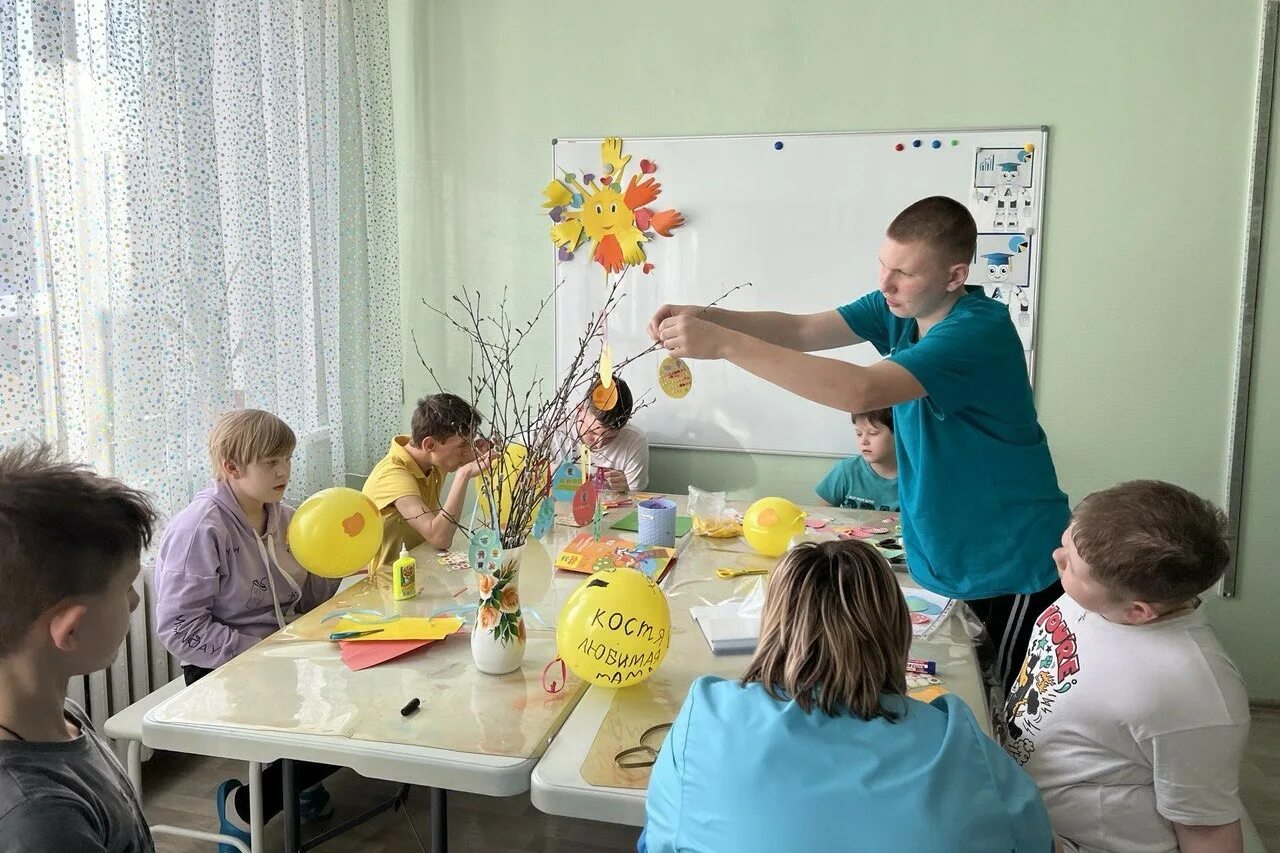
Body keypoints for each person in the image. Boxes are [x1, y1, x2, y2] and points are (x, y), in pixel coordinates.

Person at [649, 196, 1069, 692]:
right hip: (943, 554)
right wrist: (712, 319)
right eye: (883, 265)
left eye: (904, 274)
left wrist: (725, 345)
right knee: (947, 695)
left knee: (1006, 705)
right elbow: (801, 329)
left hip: (1011, 560)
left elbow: (860, 390)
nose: (885, 285)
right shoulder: (902, 310)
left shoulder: (977, 331)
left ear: (955, 277)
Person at [641, 538, 1053, 853]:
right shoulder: (956, 740)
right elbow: (1035, 841)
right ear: (896, 630)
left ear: (771, 625)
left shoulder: (709, 715)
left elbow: (658, 842)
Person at [1004, 481, 1249, 853]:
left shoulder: (1194, 692)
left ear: (1138, 611)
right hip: (1024, 803)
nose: (1056, 556)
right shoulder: (1098, 599)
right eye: (1066, 542)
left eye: (1071, 563)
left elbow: (1207, 828)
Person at [154, 409, 340, 849]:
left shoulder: (287, 518)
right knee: (343, 727)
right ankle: (244, 806)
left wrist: (333, 562)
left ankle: (298, 780)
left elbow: (308, 601)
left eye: (288, 458)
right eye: (271, 461)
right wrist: (262, 650)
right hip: (222, 666)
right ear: (232, 468)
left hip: (282, 652)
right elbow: (179, 627)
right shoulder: (201, 529)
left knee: (370, 699)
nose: (284, 471)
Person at [0, 443, 157, 852]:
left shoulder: (59, 714)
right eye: (126, 588)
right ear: (71, 629)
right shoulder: (38, 820)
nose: (135, 602)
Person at [362, 393, 491, 568]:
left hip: (424, 565)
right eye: (462, 445)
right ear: (429, 445)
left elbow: (458, 453)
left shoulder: (429, 456)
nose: (468, 451)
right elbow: (440, 538)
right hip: (391, 580)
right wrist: (463, 475)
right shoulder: (393, 475)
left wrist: (479, 450)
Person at [567, 375, 649, 492]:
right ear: (580, 410)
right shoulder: (552, 427)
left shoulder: (635, 441)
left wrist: (626, 491)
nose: (599, 444)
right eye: (593, 432)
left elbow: (636, 503)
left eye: (610, 437)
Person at [816, 407, 898, 511]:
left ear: (898, 433)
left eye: (873, 433)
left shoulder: (918, 475)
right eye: (859, 434)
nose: (863, 441)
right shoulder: (845, 470)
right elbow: (822, 512)